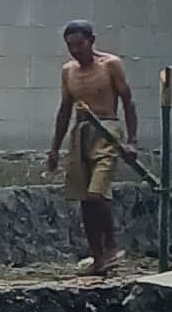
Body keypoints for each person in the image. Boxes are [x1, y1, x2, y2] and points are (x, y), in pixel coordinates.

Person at [45, 20, 141, 278]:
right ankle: (98, 258)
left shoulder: (110, 64)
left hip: (107, 132)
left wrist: (132, 141)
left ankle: (111, 246)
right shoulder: (68, 71)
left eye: (80, 44)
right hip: (81, 133)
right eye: (70, 46)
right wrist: (54, 149)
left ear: (92, 41)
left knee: (97, 194)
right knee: (85, 200)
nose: (76, 50)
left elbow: (128, 101)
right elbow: (64, 110)